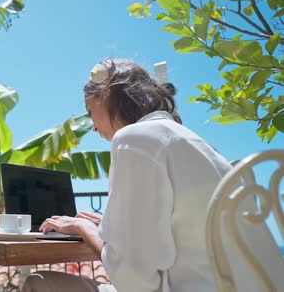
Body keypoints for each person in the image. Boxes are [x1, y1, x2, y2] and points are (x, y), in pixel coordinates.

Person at [22, 58, 235, 292]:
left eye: (90, 112)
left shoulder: (134, 139)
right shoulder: (198, 145)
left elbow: (134, 281)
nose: (93, 126)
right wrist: (110, 227)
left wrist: (84, 228)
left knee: (39, 283)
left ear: (107, 94)